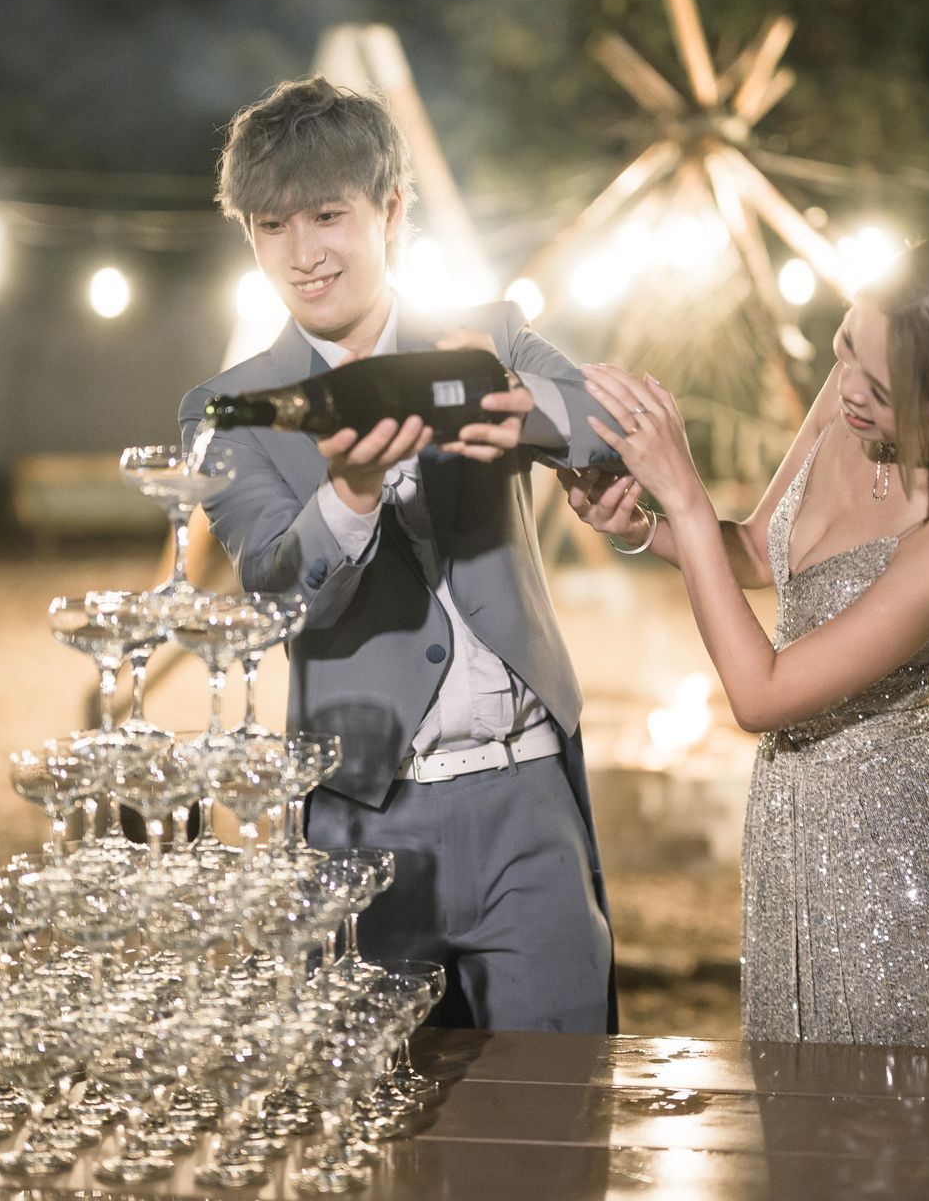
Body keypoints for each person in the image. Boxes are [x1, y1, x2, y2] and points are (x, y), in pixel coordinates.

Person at [563, 203, 929, 1055]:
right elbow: (759, 554)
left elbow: (761, 693)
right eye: (849, 347)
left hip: (895, 859)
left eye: (883, 391)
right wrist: (639, 526)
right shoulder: (856, 395)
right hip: (787, 825)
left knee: (883, 1150)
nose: (849, 387)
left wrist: (687, 495)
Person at [178, 77, 623, 1033]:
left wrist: (513, 405)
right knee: (378, 1141)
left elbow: (607, 423)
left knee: (562, 1117)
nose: (304, 253)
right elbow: (270, 590)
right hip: (359, 815)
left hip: (527, 793)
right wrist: (348, 492)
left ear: (391, 211)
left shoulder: (487, 335)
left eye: (329, 214)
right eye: (271, 225)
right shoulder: (234, 410)